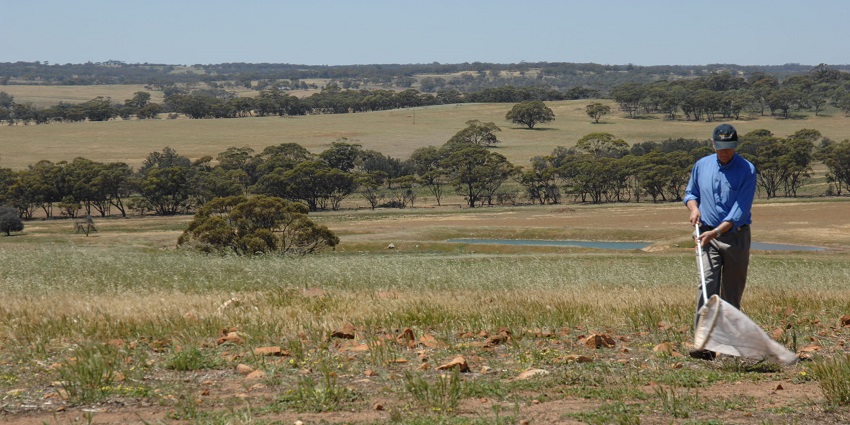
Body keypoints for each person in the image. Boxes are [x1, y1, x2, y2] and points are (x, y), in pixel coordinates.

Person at [683, 123, 757, 360]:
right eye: (720, 147)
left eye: (729, 147)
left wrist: (717, 231)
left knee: (732, 292)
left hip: (735, 237)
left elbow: (740, 209)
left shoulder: (747, 169)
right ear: (712, 144)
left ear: (736, 145)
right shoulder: (701, 165)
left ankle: (729, 346)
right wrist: (693, 208)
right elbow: (690, 193)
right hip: (705, 235)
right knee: (707, 284)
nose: (724, 152)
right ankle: (703, 343)